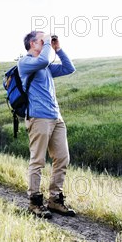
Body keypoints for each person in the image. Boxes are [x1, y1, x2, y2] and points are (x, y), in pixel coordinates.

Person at [17, 31, 76, 219]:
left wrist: (58, 48)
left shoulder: (47, 67)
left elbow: (69, 68)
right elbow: (42, 61)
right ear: (33, 44)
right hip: (38, 118)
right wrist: (49, 47)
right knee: (38, 161)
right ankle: (34, 202)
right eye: (43, 40)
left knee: (62, 158)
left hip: (56, 118)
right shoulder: (25, 63)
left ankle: (55, 200)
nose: (47, 43)